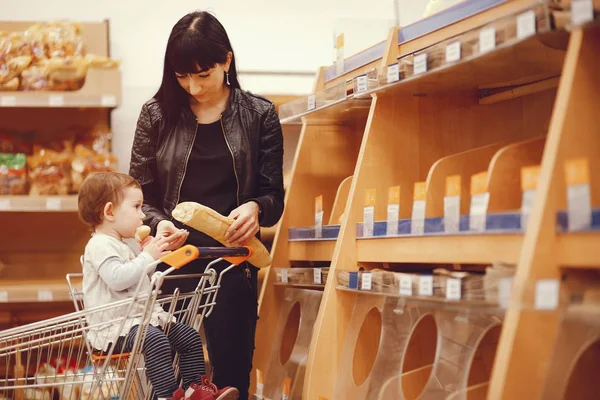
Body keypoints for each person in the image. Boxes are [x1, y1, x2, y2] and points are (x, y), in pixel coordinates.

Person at [129, 10, 285, 400]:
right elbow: (141, 194)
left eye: (204, 74)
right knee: (170, 385)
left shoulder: (259, 115)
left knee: (230, 380)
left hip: (232, 267)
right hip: (170, 267)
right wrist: (159, 222)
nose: (193, 87)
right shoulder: (156, 115)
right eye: (182, 76)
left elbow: (273, 197)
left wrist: (256, 208)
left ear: (227, 61)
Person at [77, 172, 239, 400]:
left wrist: (153, 252)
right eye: (136, 207)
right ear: (110, 211)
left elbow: (138, 279)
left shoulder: (125, 243)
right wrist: (147, 258)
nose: (142, 215)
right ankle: (168, 396)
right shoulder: (99, 245)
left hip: (139, 321)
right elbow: (117, 278)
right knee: (155, 339)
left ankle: (195, 391)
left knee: (189, 336)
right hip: (114, 328)